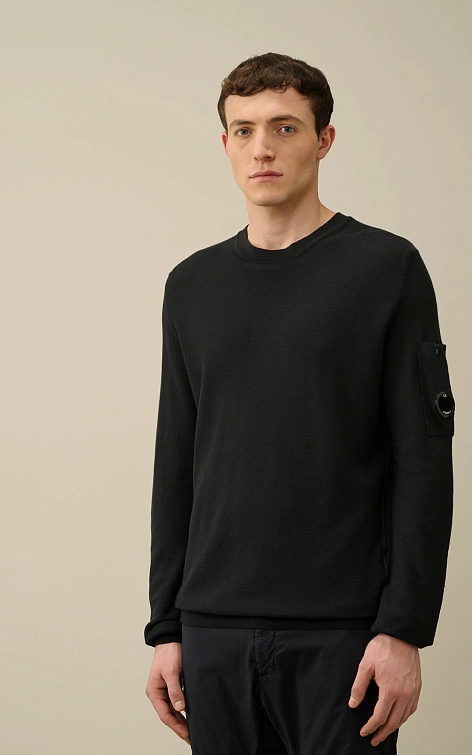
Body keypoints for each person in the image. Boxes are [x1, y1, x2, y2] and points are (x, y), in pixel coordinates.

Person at [144, 52, 455, 754]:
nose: (262, 147)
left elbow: (423, 457)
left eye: (285, 127)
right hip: (211, 632)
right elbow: (176, 461)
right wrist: (166, 627)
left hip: (343, 636)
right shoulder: (191, 285)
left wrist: (404, 627)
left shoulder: (386, 268)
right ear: (226, 144)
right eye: (244, 129)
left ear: (324, 139)